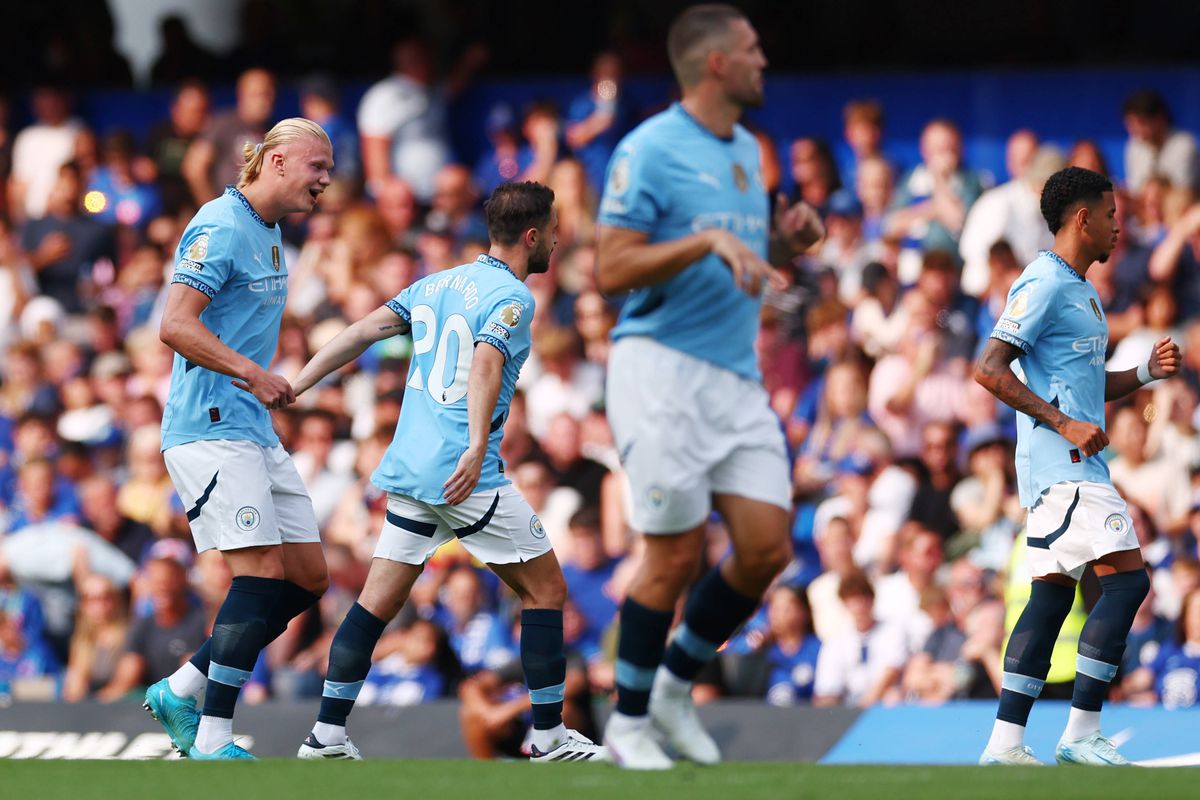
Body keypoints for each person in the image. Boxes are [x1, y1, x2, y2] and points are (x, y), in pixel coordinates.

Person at [287, 181, 605, 764]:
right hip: (465, 475)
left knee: (373, 605)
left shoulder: (435, 285)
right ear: (532, 236)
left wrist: (297, 384)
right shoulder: (513, 297)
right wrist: (476, 443)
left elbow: (360, 333)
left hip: (409, 471)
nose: (557, 243)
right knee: (547, 591)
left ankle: (326, 735)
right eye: (554, 233)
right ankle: (552, 738)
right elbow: (486, 362)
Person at [595, 4, 823, 770]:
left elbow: (745, 257)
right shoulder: (650, 147)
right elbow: (611, 268)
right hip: (659, 369)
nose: (765, 60)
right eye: (754, 49)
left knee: (765, 549)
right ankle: (625, 724)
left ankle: (672, 684)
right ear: (718, 63)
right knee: (673, 554)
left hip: (734, 374)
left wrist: (783, 242)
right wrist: (705, 239)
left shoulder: (748, 149)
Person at [974, 166, 1181, 766]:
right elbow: (989, 369)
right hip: (1064, 468)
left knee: (1049, 600)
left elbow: (1085, 387)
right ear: (1082, 217)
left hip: (1066, 468)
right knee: (1129, 581)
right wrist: (1063, 424)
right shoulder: (1042, 282)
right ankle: (1081, 734)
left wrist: (1144, 373)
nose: (1120, 226)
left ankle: (1004, 744)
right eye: (1112, 215)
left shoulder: (1083, 289)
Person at [146, 118, 335, 760]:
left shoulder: (272, 232)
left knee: (308, 579)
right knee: (256, 577)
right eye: (317, 166)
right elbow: (174, 324)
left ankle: (182, 687)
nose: (326, 180)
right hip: (210, 427)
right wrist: (254, 372)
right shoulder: (220, 224)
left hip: (251, 427)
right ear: (277, 162)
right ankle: (213, 735)